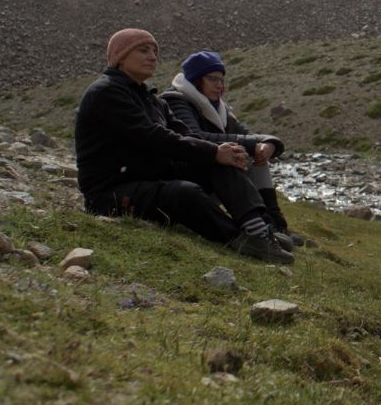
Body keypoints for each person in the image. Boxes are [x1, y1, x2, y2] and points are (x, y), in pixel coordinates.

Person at [73, 28, 293, 264]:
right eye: (143, 50)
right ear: (120, 56)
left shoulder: (151, 99)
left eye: (155, 51)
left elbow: (186, 135)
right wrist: (214, 151)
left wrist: (222, 152)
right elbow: (153, 137)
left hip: (147, 176)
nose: (152, 57)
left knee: (220, 161)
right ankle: (241, 239)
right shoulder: (107, 92)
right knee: (185, 193)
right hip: (112, 192)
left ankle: (259, 229)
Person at [161, 50, 304, 247]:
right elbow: (194, 136)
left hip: (209, 177)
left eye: (222, 80)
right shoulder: (175, 101)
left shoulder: (219, 109)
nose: (220, 86)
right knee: (232, 152)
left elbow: (247, 134)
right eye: (213, 79)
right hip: (187, 176)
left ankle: (275, 224)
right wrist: (251, 144)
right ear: (196, 80)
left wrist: (269, 143)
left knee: (257, 156)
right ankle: (260, 228)